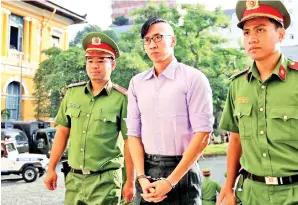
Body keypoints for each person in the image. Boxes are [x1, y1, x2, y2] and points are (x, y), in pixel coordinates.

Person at [127, 17, 214, 204]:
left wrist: (170, 182)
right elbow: (133, 134)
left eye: (158, 37)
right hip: (146, 173)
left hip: (182, 170)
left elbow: (203, 135)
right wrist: (141, 177)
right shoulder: (136, 83)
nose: (152, 44)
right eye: (147, 40)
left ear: (173, 40)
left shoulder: (194, 79)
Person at [219, 0, 298, 204]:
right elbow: (235, 140)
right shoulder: (237, 85)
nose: (252, 38)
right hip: (252, 193)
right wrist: (228, 189)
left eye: (260, 30)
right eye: (246, 32)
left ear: (280, 34)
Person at [44, 32, 134, 205]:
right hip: (74, 180)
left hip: (106, 182)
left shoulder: (122, 98)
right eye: (90, 60)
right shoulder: (72, 94)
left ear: (112, 64)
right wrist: (51, 168)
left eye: (101, 61)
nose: (94, 66)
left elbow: (130, 142)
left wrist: (130, 181)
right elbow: (62, 132)